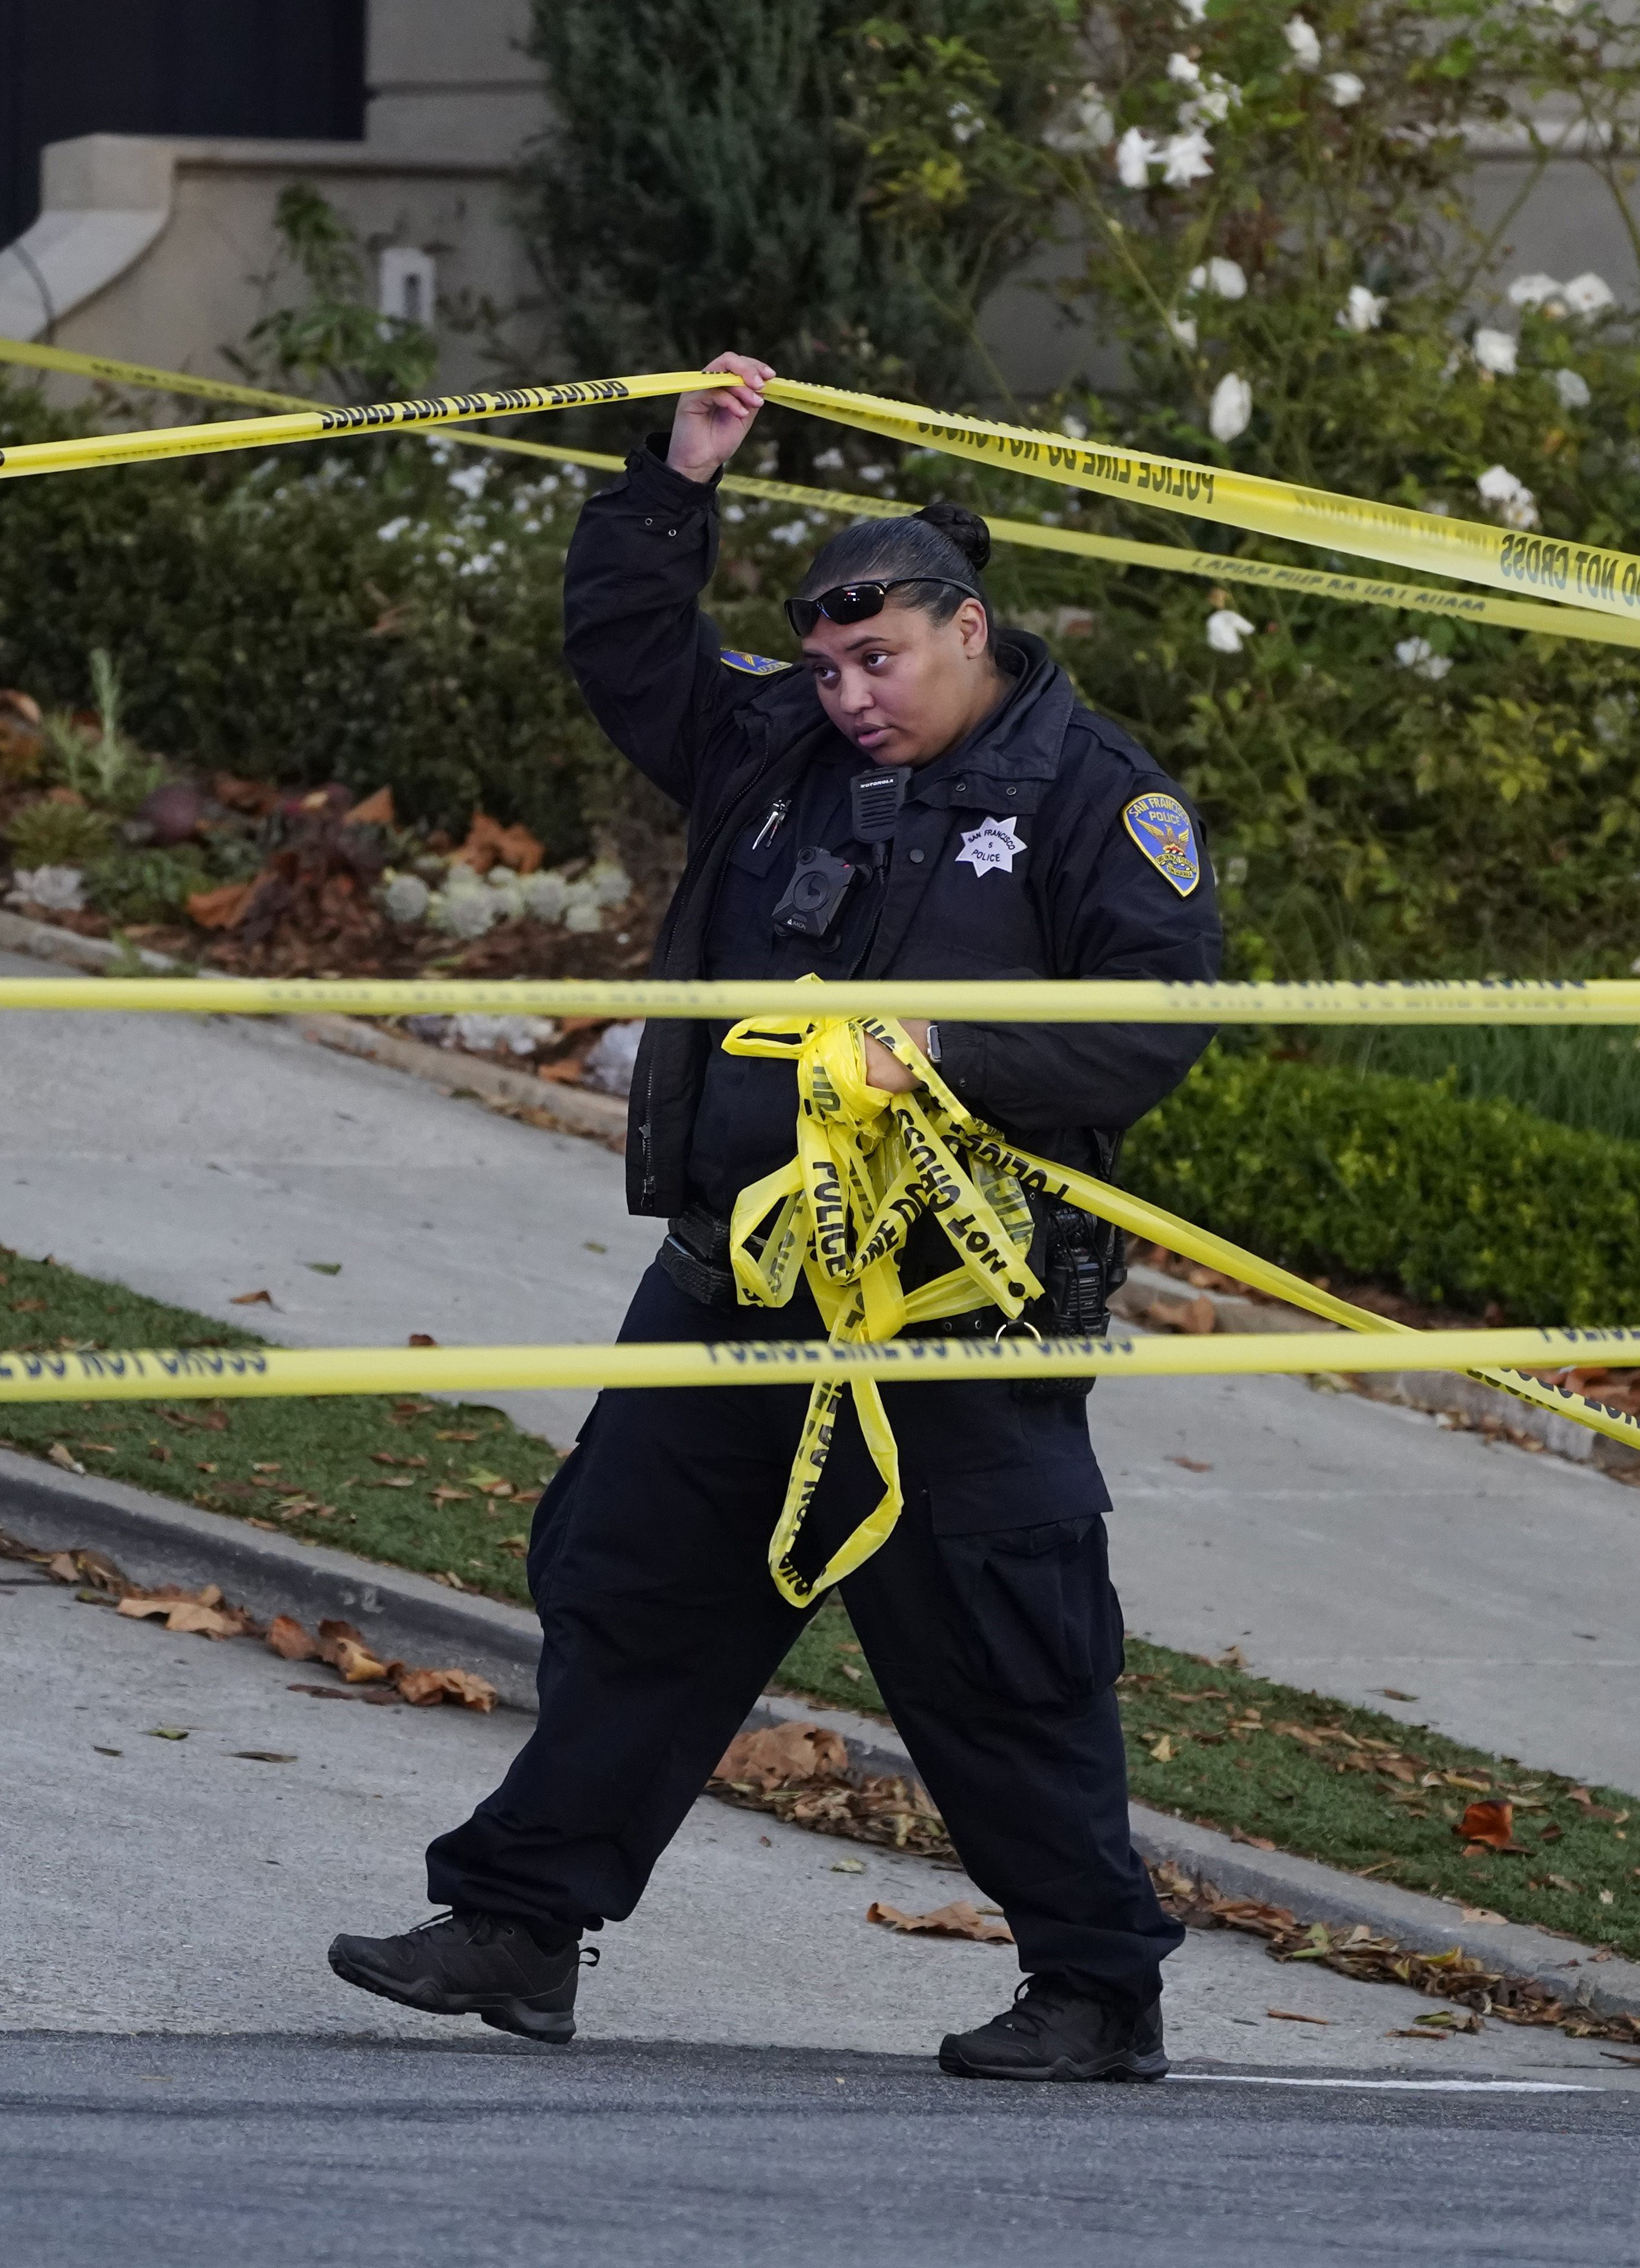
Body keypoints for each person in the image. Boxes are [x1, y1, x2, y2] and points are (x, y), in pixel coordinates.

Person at [328, 352, 1223, 2080]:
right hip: (740, 1277)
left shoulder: (1097, 795)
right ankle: (520, 1926)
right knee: (636, 1587)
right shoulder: (775, 751)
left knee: (995, 1650)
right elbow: (630, 653)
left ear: (970, 627)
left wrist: (945, 1052)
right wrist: (677, 480)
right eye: (824, 665)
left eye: (880, 661)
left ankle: (1098, 1989)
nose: (851, 696)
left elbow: (1162, 1018)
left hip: (954, 1311)